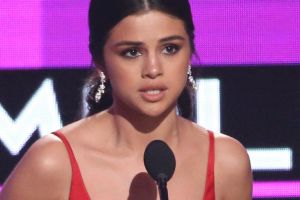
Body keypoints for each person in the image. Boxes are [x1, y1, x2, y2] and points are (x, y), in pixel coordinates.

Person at [0, 0, 252, 199]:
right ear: (100, 61)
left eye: (170, 48)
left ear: (190, 51)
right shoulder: (52, 163)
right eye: (132, 52)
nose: (153, 69)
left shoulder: (226, 162)